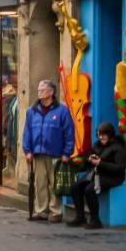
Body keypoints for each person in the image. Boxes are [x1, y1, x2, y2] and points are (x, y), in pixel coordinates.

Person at [22, 78, 76, 223]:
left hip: (56, 154)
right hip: (38, 153)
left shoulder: (62, 110)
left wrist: (67, 152)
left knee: (54, 184)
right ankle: (41, 210)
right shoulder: (31, 111)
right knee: (39, 183)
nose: (39, 92)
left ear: (51, 92)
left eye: (43, 90)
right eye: (39, 89)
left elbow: (69, 132)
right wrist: (27, 150)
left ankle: (56, 211)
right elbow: (27, 132)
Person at [69, 122, 125, 229]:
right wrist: (89, 159)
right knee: (75, 187)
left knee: (90, 190)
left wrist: (100, 163)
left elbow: (119, 168)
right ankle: (80, 216)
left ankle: (95, 220)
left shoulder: (118, 148)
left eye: (104, 135)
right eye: (99, 135)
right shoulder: (97, 145)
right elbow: (88, 159)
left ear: (110, 135)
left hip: (113, 177)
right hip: (97, 173)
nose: (101, 137)